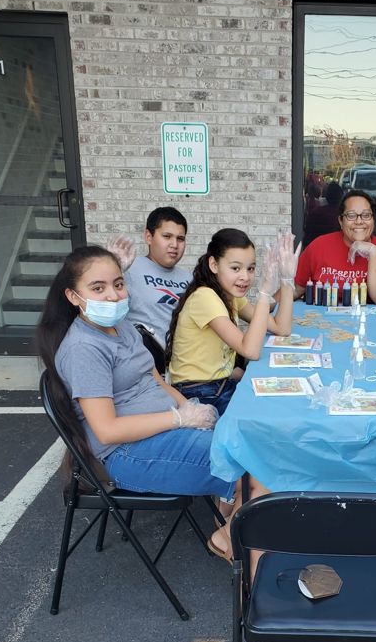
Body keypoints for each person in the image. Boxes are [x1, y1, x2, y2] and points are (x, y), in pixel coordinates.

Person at [36, 244, 234, 504]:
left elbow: (155, 379)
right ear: (73, 296)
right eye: (98, 288)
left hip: (161, 433)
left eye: (118, 284)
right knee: (248, 463)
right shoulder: (84, 348)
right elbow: (107, 431)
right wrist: (179, 418)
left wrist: (189, 407)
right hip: (125, 454)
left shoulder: (123, 326)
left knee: (248, 448)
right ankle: (231, 525)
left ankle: (231, 519)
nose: (113, 296)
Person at [166, 229, 298, 417]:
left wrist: (286, 279)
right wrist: (264, 293)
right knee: (271, 414)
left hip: (218, 384)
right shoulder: (205, 297)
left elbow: (281, 328)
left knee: (280, 403)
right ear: (214, 264)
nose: (245, 277)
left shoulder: (230, 296)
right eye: (235, 268)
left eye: (250, 268)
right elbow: (250, 350)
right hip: (198, 392)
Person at [294, 188, 376, 304]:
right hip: (320, 315)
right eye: (351, 215)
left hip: (366, 316)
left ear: (373, 220)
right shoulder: (318, 246)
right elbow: (296, 290)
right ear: (341, 221)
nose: (359, 221)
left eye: (366, 215)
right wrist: (283, 282)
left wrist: (373, 253)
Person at [108, 206, 191, 347]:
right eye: (167, 236)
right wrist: (113, 271)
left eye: (180, 239)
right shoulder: (128, 268)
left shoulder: (189, 279)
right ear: (148, 237)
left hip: (182, 357)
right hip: (142, 356)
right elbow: (108, 310)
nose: (174, 245)